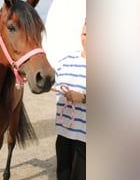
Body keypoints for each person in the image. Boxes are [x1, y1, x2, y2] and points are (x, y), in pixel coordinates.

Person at [54, 21, 86, 180]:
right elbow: (47, 80)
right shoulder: (66, 61)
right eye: (85, 34)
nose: (87, 39)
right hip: (64, 135)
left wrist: (84, 98)